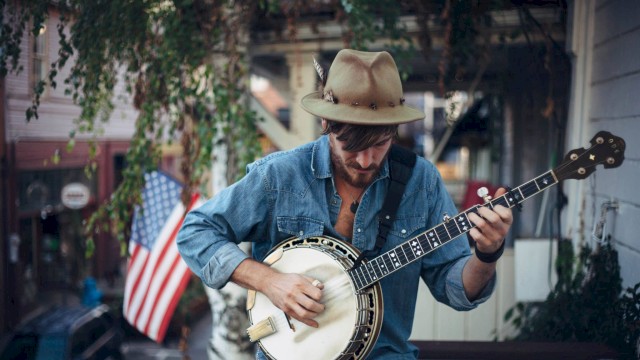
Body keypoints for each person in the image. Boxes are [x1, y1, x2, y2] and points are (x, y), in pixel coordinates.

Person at [176, 49, 512, 359]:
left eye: (380, 144)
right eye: (351, 145)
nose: (366, 160)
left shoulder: (420, 181)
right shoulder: (280, 175)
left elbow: (454, 289)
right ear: (326, 124)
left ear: (394, 129)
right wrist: (269, 281)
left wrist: (487, 253)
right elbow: (195, 232)